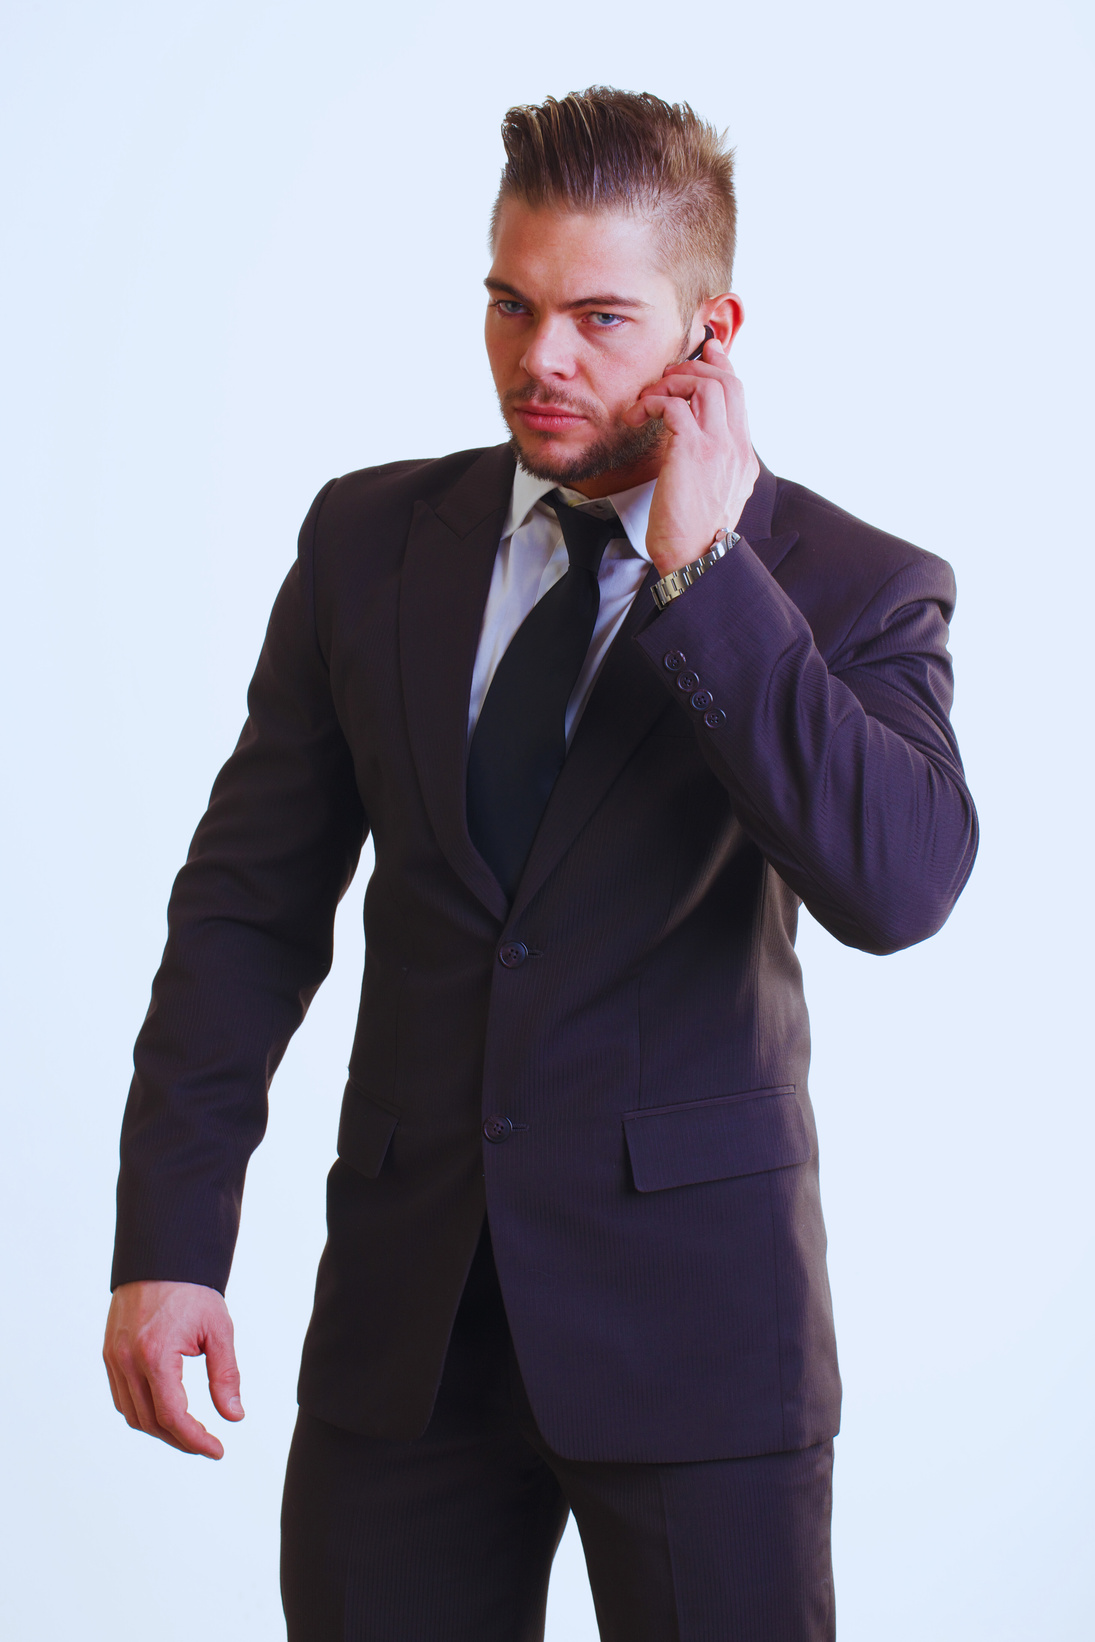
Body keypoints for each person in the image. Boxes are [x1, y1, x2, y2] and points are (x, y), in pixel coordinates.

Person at [103, 87, 978, 1641]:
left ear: (712, 334)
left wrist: (709, 579)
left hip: (698, 1341)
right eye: (510, 303)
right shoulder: (368, 542)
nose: (539, 358)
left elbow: (900, 881)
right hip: (404, 1340)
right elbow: (247, 907)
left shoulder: (848, 585)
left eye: (598, 317)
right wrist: (171, 1242)